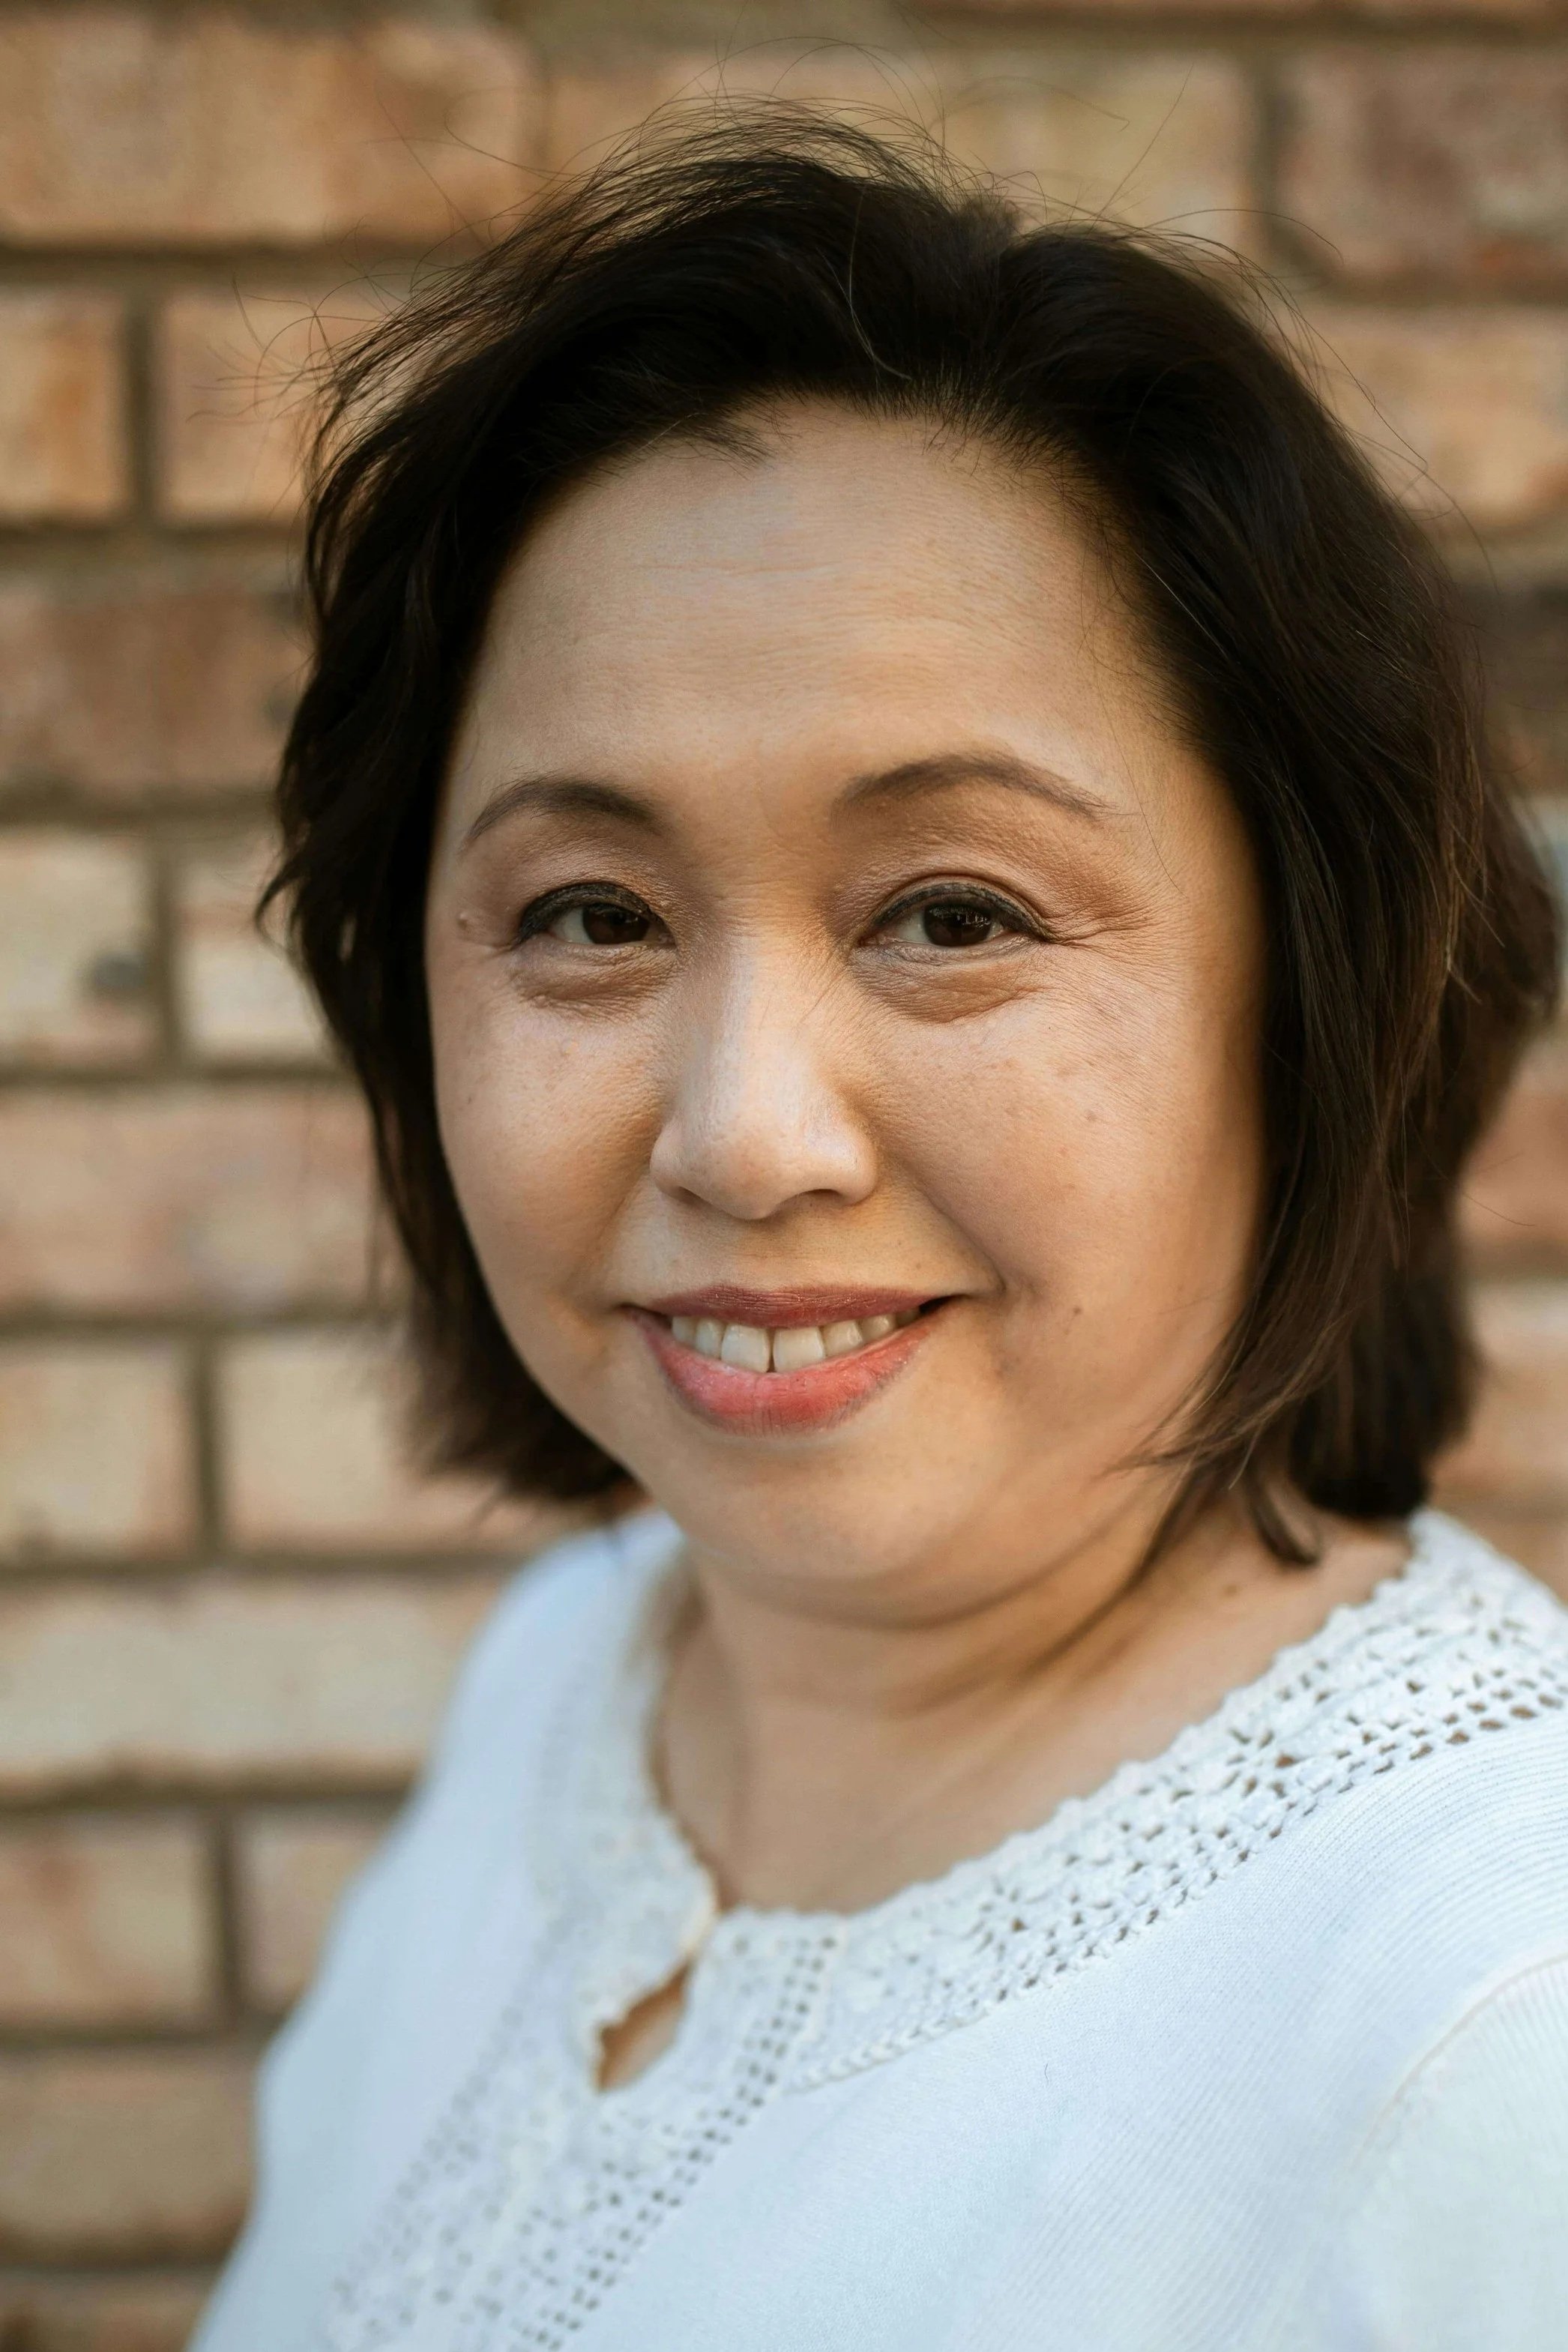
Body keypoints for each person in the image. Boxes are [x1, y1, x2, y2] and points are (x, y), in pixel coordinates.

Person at [193, 115, 1568, 2352]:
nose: (745, 1131)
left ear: (1300, 1006)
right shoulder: (577, 1672)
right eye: (589, 916)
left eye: (953, 912)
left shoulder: (1486, 2030)